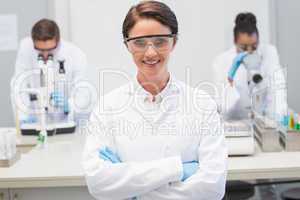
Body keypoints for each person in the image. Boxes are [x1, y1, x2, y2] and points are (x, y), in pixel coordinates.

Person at [83, 1, 227, 200]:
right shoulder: (107, 107)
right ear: (127, 44)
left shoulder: (202, 104)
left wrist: (133, 191)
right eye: (140, 43)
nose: (150, 53)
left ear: (173, 42)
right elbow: (98, 183)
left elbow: (212, 189)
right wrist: (178, 169)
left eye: (160, 41)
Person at [11, 19, 89, 126]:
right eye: (40, 50)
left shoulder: (75, 55)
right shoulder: (26, 48)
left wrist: (69, 105)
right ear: (33, 42)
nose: (45, 55)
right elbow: (18, 85)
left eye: (50, 50)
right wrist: (23, 116)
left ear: (58, 41)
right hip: (36, 121)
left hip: (65, 122)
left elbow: (83, 94)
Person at [212, 12, 286, 121]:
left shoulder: (269, 53)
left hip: (263, 121)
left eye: (254, 46)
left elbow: (277, 92)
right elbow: (223, 106)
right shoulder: (221, 61)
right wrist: (231, 76)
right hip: (234, 122)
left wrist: (277, 121)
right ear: (235, 42)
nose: (250, 52)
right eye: (244, 48)